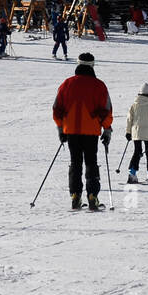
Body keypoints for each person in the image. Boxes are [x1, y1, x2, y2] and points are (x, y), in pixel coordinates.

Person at [53, 51, 114, 211]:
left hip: (71, 130)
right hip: (91, 130)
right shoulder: (99, 85)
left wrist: (61, 128)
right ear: (92, 66)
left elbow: (57, 108)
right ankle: (92, 195)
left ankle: (75, 195)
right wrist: (107, 129)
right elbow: (106, 110)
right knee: (91, 162)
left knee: (75, 162)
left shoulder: (66, 84)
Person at [125, 82, 148, 185]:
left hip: (136, 132)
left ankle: (132, 174)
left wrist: (128, 132)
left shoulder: (134, 105)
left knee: (137, 152)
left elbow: (129, 120)